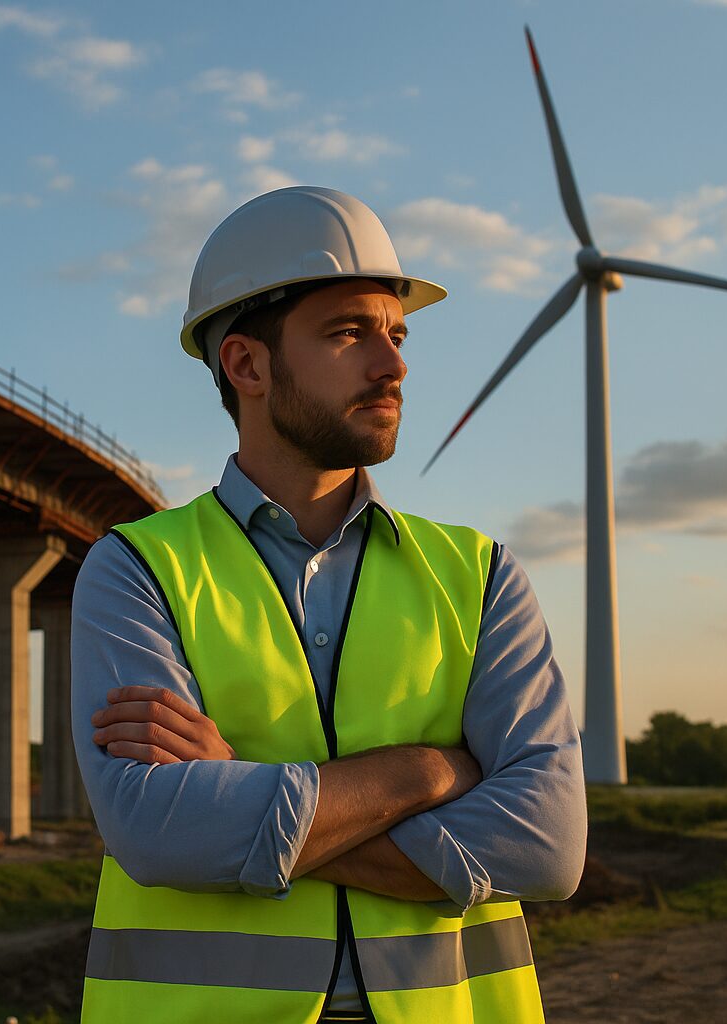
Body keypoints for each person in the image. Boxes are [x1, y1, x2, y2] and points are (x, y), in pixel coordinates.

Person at [70, 186, 587, 1024]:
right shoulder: (137, 570)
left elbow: (550, 842)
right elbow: (154, 828)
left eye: (397, 332)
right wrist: (430, 772)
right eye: (350, 333)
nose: (394, 364)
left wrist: (237, 796)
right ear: (247, 365)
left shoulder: (480, 574)